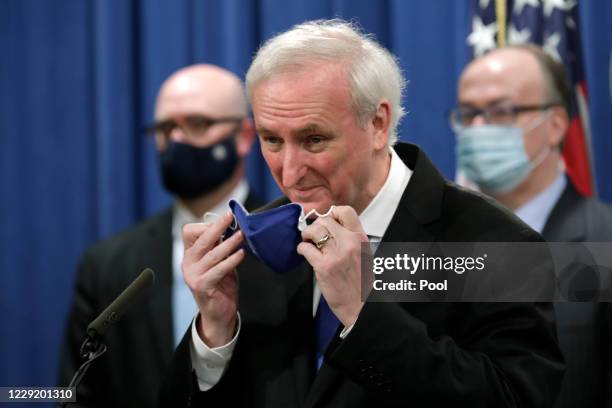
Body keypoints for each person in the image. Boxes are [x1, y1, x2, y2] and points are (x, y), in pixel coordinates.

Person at [159, 20, 564, 407]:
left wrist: (363, 314)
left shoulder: (498, 242)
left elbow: (513, 398)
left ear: (378, 123)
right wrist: (215, 334)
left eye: (313, 139)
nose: (289, 171)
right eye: (272, 140)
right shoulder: (254, 246)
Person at [59, 64, 261, 407]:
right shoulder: (107, 265)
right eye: (166, 128)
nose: (177, 140)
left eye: (198, 124)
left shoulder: (290, 246)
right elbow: (75, 394)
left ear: (243, 136)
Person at [452, 44, 612, 408]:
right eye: (468, 113)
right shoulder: (435, 242)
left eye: (501, 112)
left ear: (556, 124)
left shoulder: (605, 242)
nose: (478, 128)